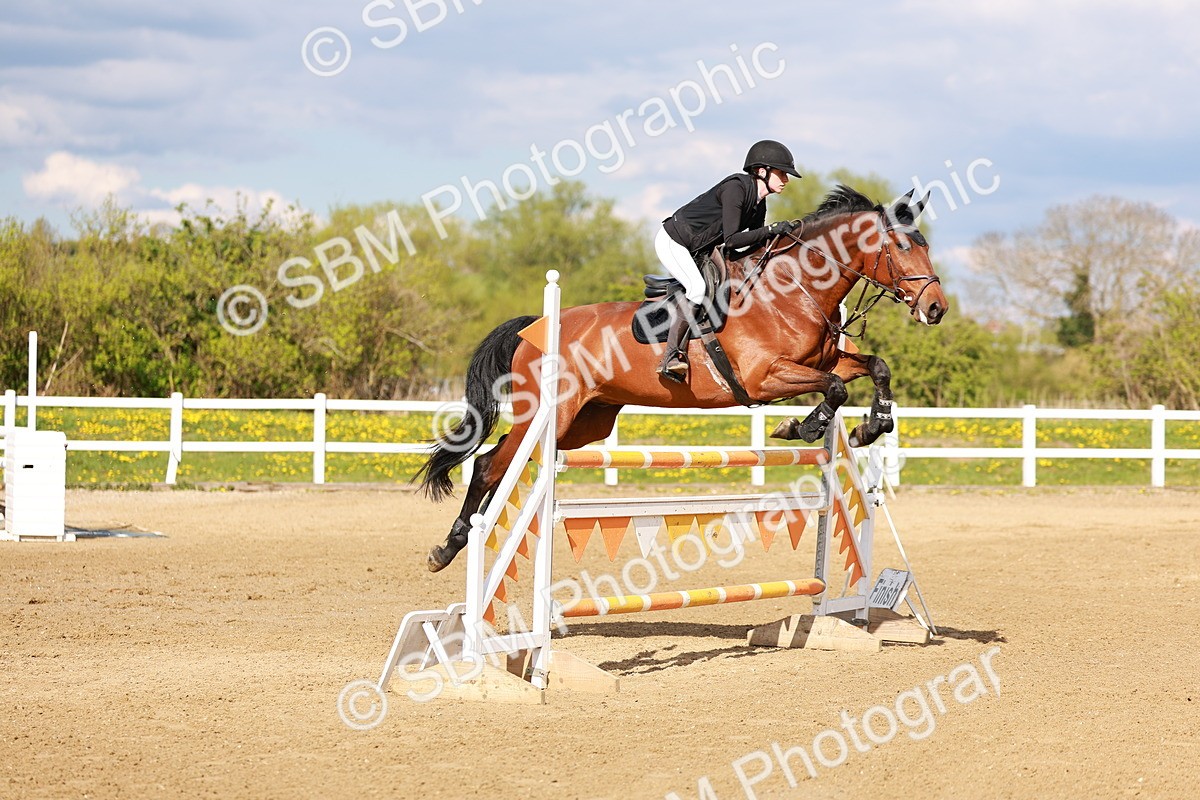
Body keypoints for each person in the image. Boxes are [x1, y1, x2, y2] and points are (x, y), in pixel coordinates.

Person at [654, 139, 801, 381]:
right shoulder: (737, 188)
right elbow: (732, 240)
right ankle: (670, 357)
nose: (785, 179)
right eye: (782, 173)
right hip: (674, 241)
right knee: (697, 288)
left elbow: (753, 244)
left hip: (700, 249)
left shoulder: (758, 204)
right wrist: (773, 229)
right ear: (761, 171)